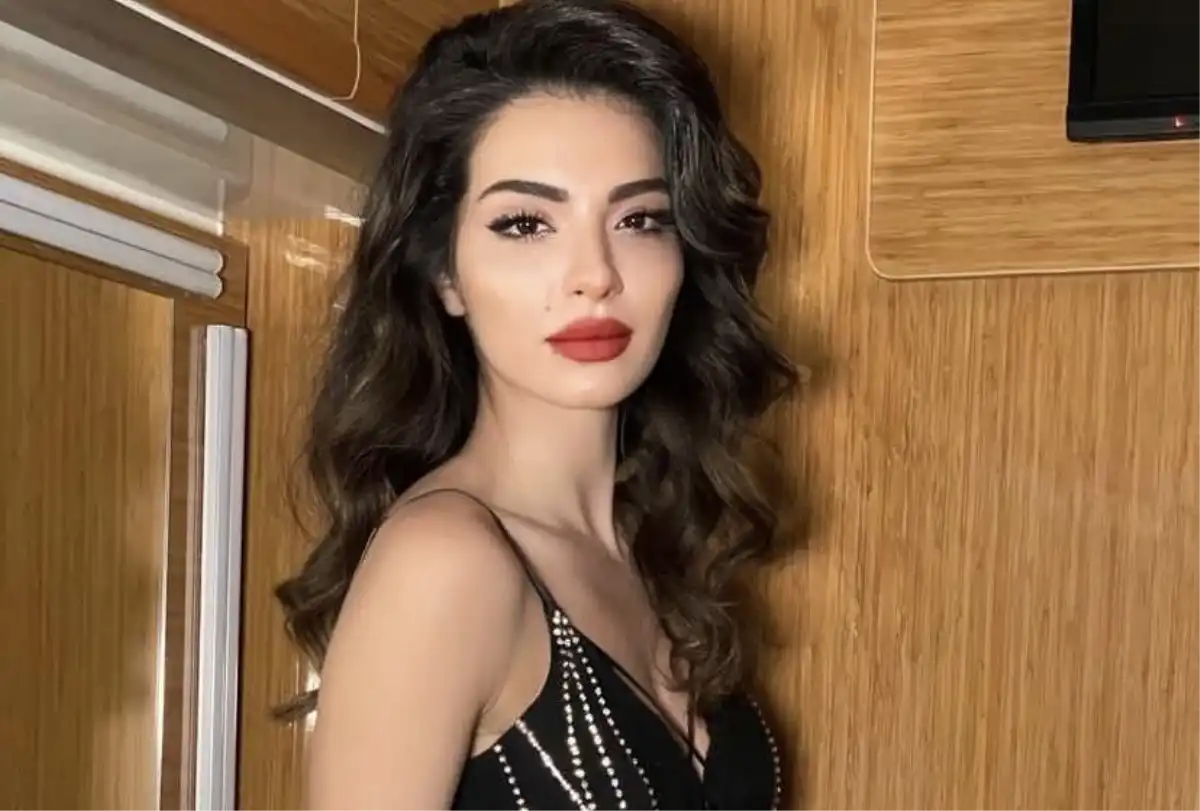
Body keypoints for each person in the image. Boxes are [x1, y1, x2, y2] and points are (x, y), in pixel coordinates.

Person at [275, 0, 798, 808]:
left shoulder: (652, 539)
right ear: (444, 273)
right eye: (525, 224)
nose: (595, 274)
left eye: (639, 219)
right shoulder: (444, 563)